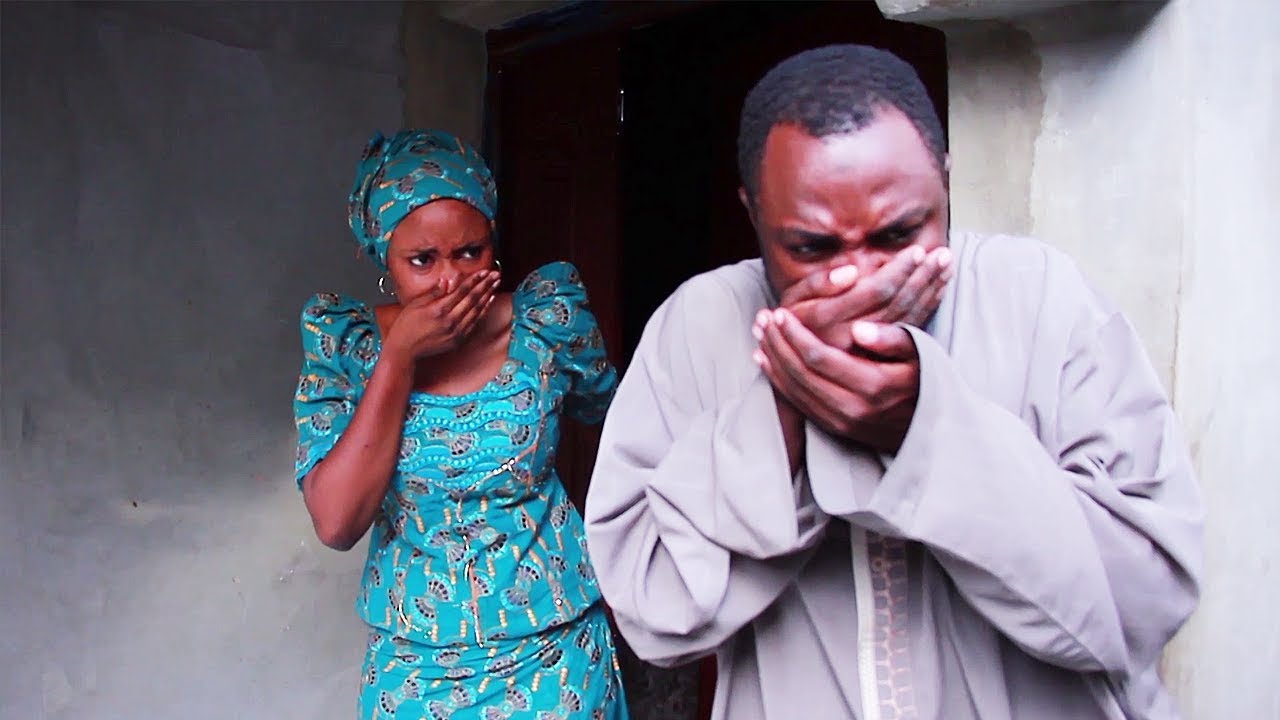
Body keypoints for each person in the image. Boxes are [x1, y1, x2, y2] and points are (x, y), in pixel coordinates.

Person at [584, 45, 1202, 720]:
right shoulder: (700, 327)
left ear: (944, 184)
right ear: (753, 214)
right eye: (811, 249)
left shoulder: (1038, 297)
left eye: (900, 235)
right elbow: (652, 612)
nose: (861, 279)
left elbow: (1143, 605)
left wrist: (927, 432)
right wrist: (786, 409)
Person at [292, 129, 630, 720]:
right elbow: (337, 521)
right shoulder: (347, 347)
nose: (450, 280)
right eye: (422, 261)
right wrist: (399, 356)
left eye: (470, 252)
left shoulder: (547, 323)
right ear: (385, 260)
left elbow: (631, 428)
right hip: (414, 670)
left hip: (555, 657)